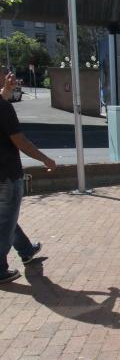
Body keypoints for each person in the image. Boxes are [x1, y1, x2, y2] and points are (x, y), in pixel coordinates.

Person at [1, 69, 56, 283]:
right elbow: (20, 141)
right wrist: (46, 159)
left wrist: (6, 90)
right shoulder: (4, 108)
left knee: (6, 217)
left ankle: (25, 250)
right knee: (6, 221)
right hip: (6, 174)